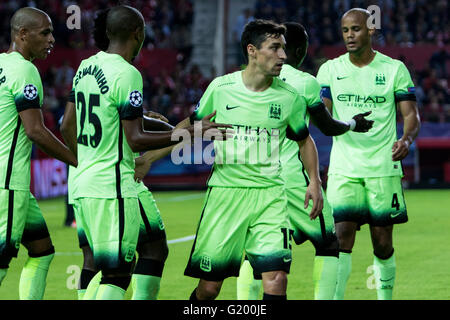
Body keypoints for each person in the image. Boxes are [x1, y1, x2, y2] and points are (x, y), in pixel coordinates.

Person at [60, 5, 228, 300]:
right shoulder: (127, 73)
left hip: (93, 181)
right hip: (113, 186)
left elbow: (66, 126)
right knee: (116, 273)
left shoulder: (85, 67)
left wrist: (86, 160)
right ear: (137, 33)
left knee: (154, 246)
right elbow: (135, 139)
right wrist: (189, 132)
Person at [183, 19, 323, 301]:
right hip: (225, 196)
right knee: (209, 288)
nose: (283, 56)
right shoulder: (221, 88)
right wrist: (152, 156)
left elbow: (304, 140)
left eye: (283, 48)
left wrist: (315, 182)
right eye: (275, 48)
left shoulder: (289, 98)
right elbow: (188, 126)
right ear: (252, 51)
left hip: (271, 196)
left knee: (276, 277)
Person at [236, 22, 374, 300]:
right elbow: (326, 125)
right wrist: (352, 123)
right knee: (328, 242)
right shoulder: (304, 82)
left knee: (257, 252)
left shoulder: (242, 80)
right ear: (298, 49)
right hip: (293, 178)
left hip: (254, 179)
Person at [316, 8, 421, 300]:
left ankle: (383, 298)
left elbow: (411, 114)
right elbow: (322, 114)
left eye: (356, 29)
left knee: (382, 242)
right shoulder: (330, 69)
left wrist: (407, 139)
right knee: (340, 237)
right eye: (345, 30)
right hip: (343, 168)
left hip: (382, 168)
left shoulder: (394, 69)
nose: (350, 35)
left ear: (371, 31)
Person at [0, 7, 77, 299]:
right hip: (8, 184)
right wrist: (78, 160)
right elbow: (35, 130)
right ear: (22, 34)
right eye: (44, 33)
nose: (52, 39)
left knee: (42, 251)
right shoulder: (25, 69)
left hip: (13, 187)